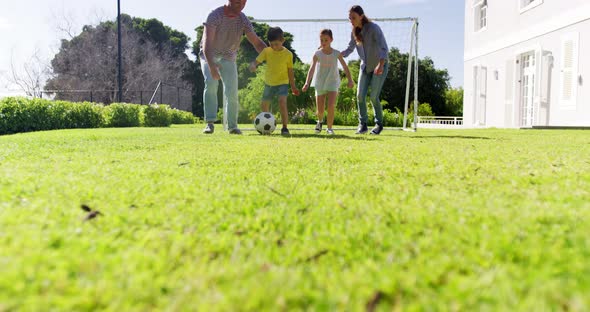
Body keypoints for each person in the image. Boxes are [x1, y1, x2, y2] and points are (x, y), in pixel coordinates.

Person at [199, 0, 267, 134]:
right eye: (237, 3)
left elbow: (257, 42)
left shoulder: (243, 20)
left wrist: (270, 56)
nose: (241, 6)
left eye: (243, 3)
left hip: (228, 57)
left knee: (232, 91)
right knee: (211, 83)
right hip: (209, 55)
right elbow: (207, 43)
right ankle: (210, 123)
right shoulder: (214, 15)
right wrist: (212, 67)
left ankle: (232, 126)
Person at [341, 5, 389, 135]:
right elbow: (350, 48)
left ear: (361, 16)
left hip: (380, 65)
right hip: (365, 67)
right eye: (350, 18)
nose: (351, 20)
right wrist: (338, 54)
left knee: (374, 97)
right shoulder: (354, 32)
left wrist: (380, 64)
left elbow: (384, 48)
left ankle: (379, 124)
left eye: (354, 17)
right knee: (360, 96)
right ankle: (363, 125)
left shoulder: (374, 28)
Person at [302, 29, 354, 135]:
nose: (323, 42)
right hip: (320, 83)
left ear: (331, 40)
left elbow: (345, 67)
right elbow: (311, 68)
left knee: (331, 106)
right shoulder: (317, 54)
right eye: (321, 40)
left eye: (326, 40)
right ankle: (320, 121)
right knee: (320, 110)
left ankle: (329, 128)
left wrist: (350, 80)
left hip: (333, 82)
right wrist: (307, 82)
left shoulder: (336, 53)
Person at [249, 27, 300, 135]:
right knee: (264, 105)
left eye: (276, 44)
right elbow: (257, 61)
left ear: (283, 41)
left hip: (283, 83)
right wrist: (253, 65)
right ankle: (266, 125)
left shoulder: (288, 55)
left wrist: (293, 86)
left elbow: (290, 71)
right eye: (271, 44)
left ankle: (285, 128)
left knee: (282, 102)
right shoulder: (266, 51)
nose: (273, 46)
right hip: (269, 83)